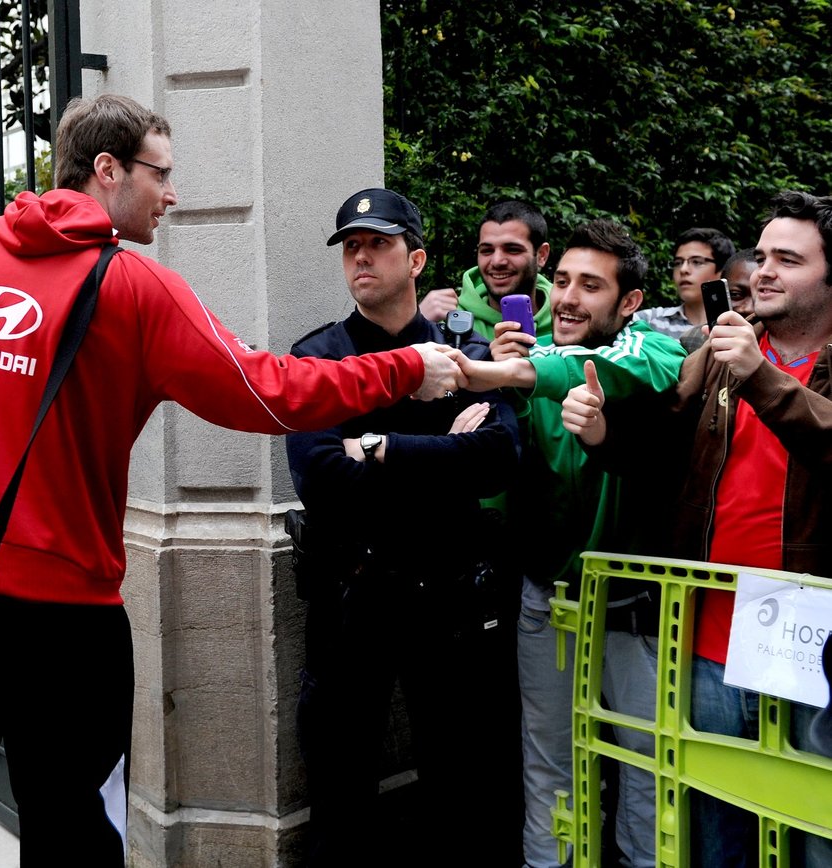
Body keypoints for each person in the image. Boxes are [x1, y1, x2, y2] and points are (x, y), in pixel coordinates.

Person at [0, 94, 465, 868]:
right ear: (106, 170)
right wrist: (407, 365)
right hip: (66, 619)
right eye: (160, 174)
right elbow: (267, 390)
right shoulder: (134, 288)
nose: (171, 194)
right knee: (75, 826)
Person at [564, 191, 832, 868]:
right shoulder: (722, 350)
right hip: (713, 637)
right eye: (762, 255)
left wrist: (761, 377)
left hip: (817, 653)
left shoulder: (748, 359)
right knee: (720, 832)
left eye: (789, 260)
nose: (763, 271)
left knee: (816, 833)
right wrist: (602, 428)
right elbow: (663, 435)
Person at [285, 188, 520, 865]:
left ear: (415, 258)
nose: (361, 256)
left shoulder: (464, 354)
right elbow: (321, 479)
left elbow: (497, 458)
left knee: (457, 783)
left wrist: (379, 446)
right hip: (350, 598)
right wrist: (445, 451)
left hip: (445, 598)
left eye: (378, 243)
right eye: (351, 246)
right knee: (340, 785)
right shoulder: (320, 356)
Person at [453, 219, 687, 867]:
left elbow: (611, 369)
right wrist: (498, 396)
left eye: (592, 285)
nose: (569, 298)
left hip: (634, 608)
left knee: (645, 766)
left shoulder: (655, 348)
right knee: (547, 757)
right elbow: (507, 470)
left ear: (630, 302)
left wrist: (511, 374)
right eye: (561, 282)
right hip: (545, 596)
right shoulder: (529, 363)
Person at [418, 200, 553, 338]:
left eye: (512, 250)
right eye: (487, 250)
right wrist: (416, 324)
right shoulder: (448, 321)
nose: (497, 261)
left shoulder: (568, 316)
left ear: (542, 255)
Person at [635, 227, 735, 339]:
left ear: (722, 270)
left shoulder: (737, 327)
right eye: (678, 263)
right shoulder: (648, 321)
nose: (683, 269)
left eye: (696, 262)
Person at [679, 247, 758, 353]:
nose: (747, 308)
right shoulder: (693, 340)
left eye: (760, 295)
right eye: (735, 294)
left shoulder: (783, 343)